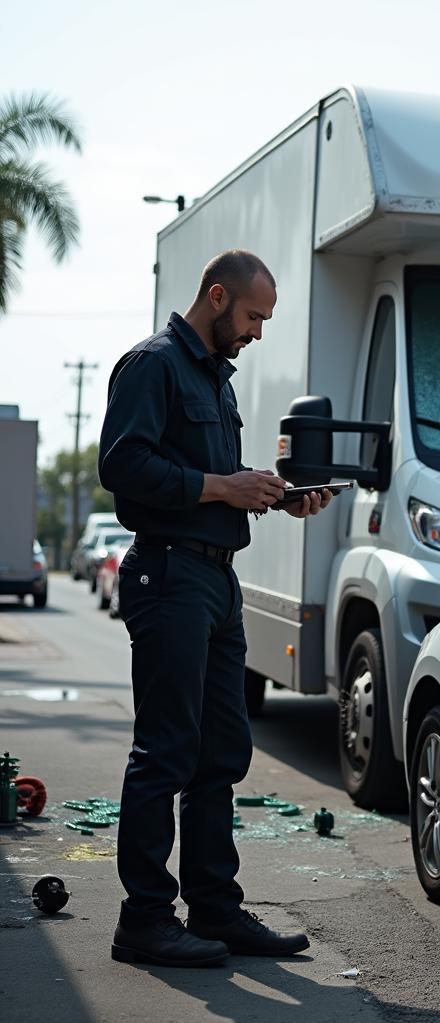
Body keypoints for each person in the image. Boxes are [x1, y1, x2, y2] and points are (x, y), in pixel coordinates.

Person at [98, 249, 334, 967]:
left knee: (219, 755)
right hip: (168, 576)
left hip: (215, 580)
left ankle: (214, 910)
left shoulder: (213, 380)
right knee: (166, 752)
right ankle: (144, 921)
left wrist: (272, 497)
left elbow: (211, 485)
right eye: (255, 316)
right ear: (217, 295)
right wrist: (223, 487)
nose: (258, 331)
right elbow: (123, 466)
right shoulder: (153, 364)